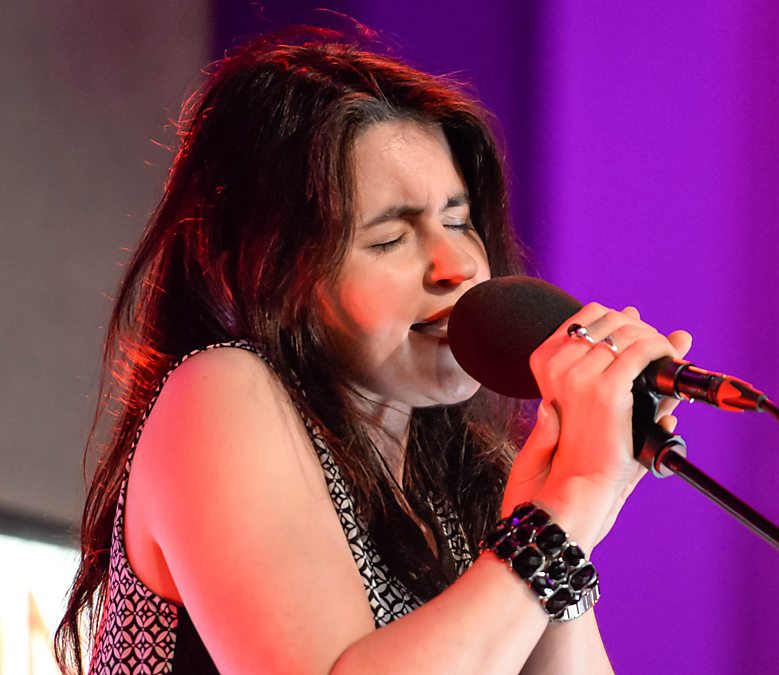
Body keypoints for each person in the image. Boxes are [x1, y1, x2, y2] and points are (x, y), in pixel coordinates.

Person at [55, 26, 691, 674]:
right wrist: (561, 513)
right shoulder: (219, 389)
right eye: (390, 239)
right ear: (264, 267)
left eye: (457, 221)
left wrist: (568, 503)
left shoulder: (469, 481)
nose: (456, 266)